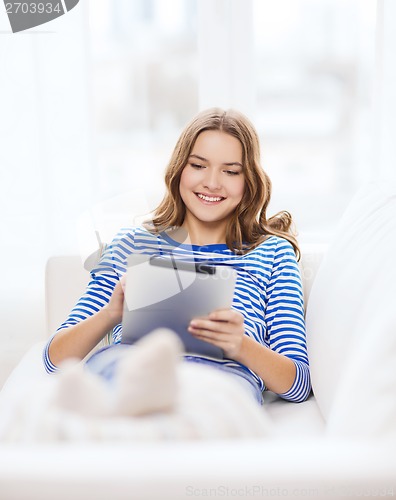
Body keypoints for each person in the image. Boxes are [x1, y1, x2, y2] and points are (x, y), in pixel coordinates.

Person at [43, 108, 311, 417]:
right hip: (129, 369)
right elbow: (54, 360)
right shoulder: (131, 242)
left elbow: (299, 384)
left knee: (207, 400)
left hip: (220, 380)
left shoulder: (273, 253)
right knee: (117, 370)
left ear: (248, 180)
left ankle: (149, 416)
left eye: (231, 171)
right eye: (198, 165)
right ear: (179, 169)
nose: (212, 183)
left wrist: (240, 346)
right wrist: (111, 314)